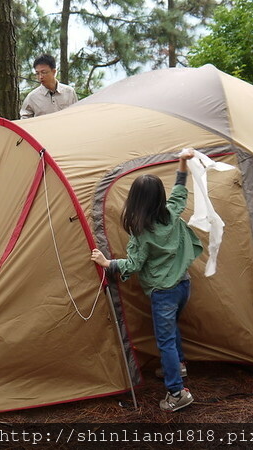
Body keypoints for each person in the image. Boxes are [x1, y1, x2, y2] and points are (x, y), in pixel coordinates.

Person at [91, 149, 202, 412]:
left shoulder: (142, 234)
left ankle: (177, 393)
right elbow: (180, 190)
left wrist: (108, 263)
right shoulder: (172, 213)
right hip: (184, 285)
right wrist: (182, 163)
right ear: (160, 199)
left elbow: (134, 264)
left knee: (164, 341)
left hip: (163, 293)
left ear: (136, 203)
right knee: (172, 327)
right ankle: (178, 366)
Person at [19, 54, 78, 119]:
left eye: (43, 72)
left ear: (54, 72)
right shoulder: (32, 97)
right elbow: (24, 121)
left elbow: (76, 115)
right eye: (37, 73)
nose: (40, 77)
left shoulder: (69, 92)